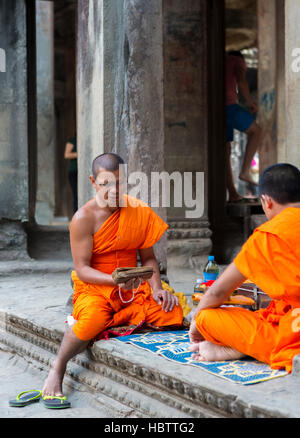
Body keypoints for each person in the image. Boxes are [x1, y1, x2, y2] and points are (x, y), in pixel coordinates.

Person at [42, 152, 183, 403]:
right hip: (96, 286)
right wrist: (113, 281)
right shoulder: (83, 218)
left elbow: (148, 259)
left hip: (132, 287)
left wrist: (157, 288)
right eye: (106, 183)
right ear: (93, 182)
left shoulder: (138, 211)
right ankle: (58, 366)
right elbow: (82, 269)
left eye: (119, 182)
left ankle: (121, 317)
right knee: (92, 320)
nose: (113, 189)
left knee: (170, 311)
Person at [189, 163, 300, 373]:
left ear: (267, 202)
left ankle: (244, 348)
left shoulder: (268, 235)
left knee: (206, 316)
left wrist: (196, 322)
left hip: (294, 334)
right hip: (290, 320)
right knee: (266, 314)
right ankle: (245, 348)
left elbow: (218, 291)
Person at [225, 51, 262, 202]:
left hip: (215, 108)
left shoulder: (222, 61)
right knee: (256, 131)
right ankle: (245, 171)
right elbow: (241, 82)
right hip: (229, 106)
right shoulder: (237, 61)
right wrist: (250, 103)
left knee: (225, 151)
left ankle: (232, 193)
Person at [64, 136, 78, 213]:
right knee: (76, 194)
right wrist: (79, 153)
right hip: (74, 172)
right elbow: (67, 155)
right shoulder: (72, 140)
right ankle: (76, 215)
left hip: (84, 172)